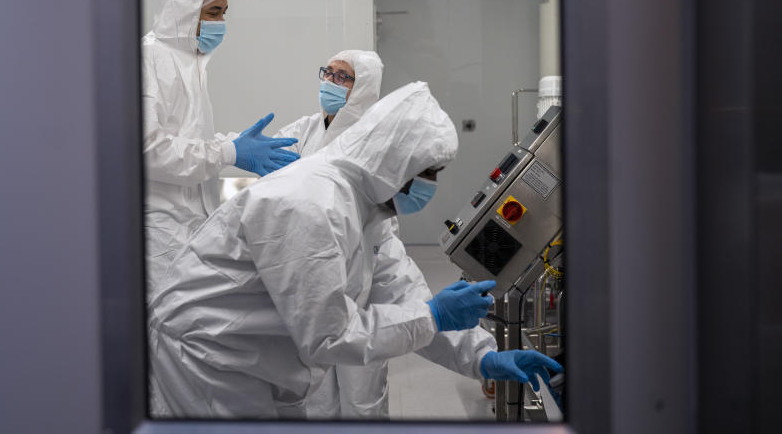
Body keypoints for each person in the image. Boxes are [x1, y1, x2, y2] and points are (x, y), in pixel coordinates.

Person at [148, 82, 562, 418]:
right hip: (208, 354)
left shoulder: (369, 209)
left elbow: (406, 298)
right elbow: (330, 336)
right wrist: (434, 316)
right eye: (429, 172)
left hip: (255, 355)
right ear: (397, 160)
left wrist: (483, 357)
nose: (431, 185)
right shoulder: (310, 204)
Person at [142, 0, 300, 296]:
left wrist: (236, 144)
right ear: (183, 10)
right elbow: (148, 149)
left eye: (224, 12)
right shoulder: (150, 58)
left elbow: (186, 138)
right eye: (213, 13)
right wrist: (227, 152)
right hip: (159, 227)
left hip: (189, 222)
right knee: (163, 329)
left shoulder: (191, 62)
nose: (222, 23)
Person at [275, 50, 383, 157]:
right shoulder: (305, 128)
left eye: (341, 77)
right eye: (327, 72)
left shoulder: (374, 141)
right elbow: (276, 159)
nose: (328, 80)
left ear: (362, 90)